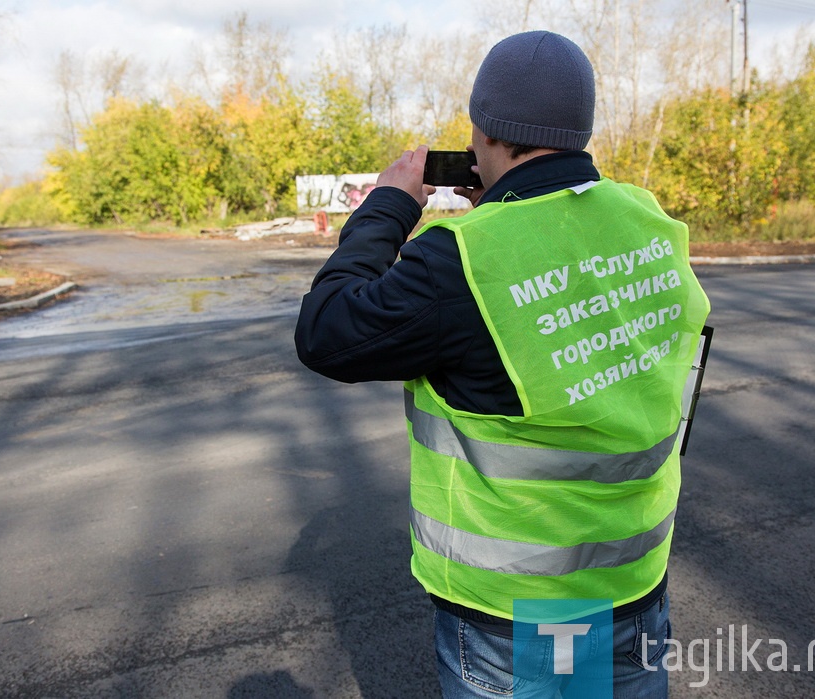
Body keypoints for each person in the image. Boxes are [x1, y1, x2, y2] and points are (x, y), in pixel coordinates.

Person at [295, 30, 711, 698]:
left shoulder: (463, 259)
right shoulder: (648, 222)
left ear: (483, 131)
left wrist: (390, 204)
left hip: (513, 615)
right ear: (580, 130)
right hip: (633, 583)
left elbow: (325, 330)